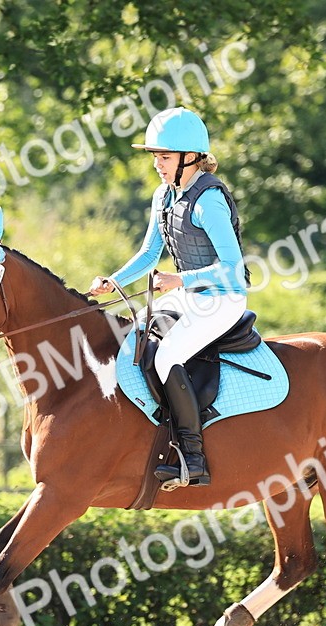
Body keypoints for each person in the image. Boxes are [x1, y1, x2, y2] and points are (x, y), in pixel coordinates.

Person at [89, 106, 249, 487]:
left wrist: (179, 280)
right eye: (155, 156)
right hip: (188, 295)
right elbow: (148, 254)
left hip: (222, 298)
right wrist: (114, 280)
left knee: (167, 357)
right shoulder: (164, 195)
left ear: (190, 157)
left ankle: (192, 456)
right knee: (131, 340)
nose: (157, 164)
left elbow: (233, 267)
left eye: (164, 156)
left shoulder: (208, 200)